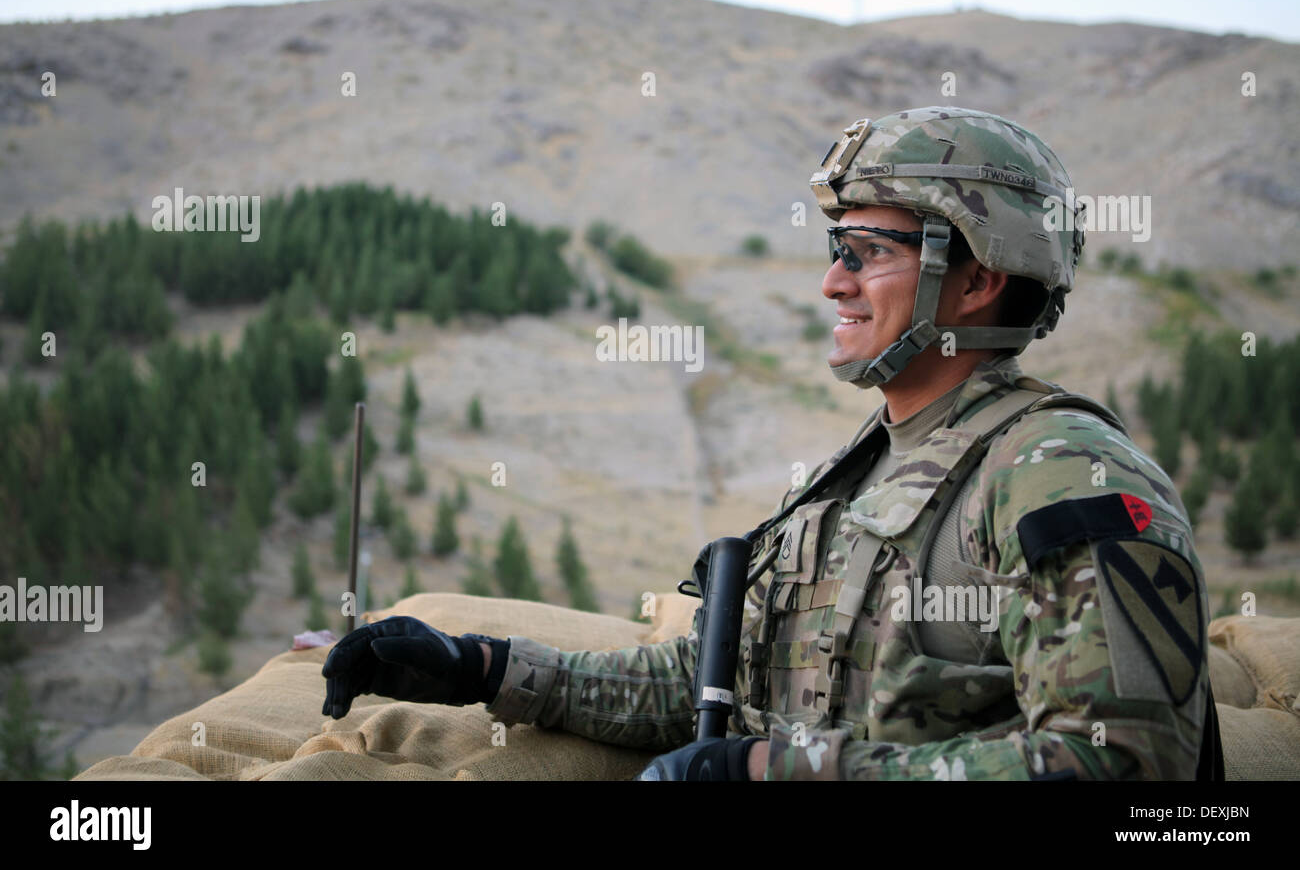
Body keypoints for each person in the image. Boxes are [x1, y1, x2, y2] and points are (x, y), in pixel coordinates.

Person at [322, 106, 1218, 781]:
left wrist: (768, 770)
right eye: (836, 247)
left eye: (866, 250)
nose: (833, 282)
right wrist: (482, 667)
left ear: (978, 276)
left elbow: (1133, 768)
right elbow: (707, 687)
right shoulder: (864, 474)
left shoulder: (1056, 474)